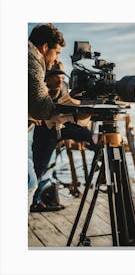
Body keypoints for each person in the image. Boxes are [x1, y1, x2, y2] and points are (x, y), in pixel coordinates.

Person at [30, 62, 96, 212]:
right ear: (46, 78)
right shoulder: (39, 90)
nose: (60, 80)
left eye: (61, 76)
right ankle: (33, 200)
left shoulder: (65, 87)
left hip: (61, 127)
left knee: (48, 167)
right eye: (55, 77)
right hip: (44, 131)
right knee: (39, 166)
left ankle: (36, 198)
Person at [28, 23, 66, 212]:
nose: (57, 58)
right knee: (28, 181)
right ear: (44, 48)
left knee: (30, 179)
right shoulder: (32, 62)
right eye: (56, 53)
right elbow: (42, 109)